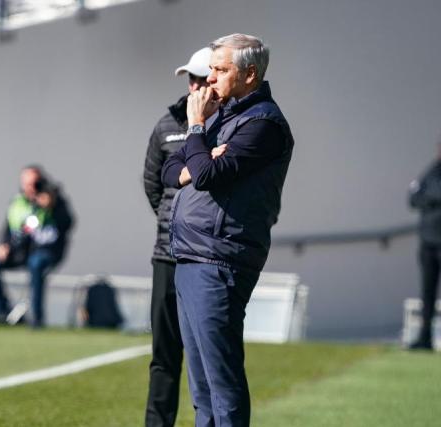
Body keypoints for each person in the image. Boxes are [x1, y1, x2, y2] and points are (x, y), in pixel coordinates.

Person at [161, 34, 294, 426]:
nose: (209, 80)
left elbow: (204, 175)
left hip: (220, 259)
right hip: (190, 254)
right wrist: (200, 151)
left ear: (250, 74)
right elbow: (173, 171)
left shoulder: (263, 123)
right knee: (201, 388)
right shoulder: (225, 116)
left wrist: (198, 130)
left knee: (222, 383)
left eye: (220, 70)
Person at [142, 47, 211, 427]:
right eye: (192, 78)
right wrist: (176, 221)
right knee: (164, 356)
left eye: (203, 78)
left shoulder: (227, 124)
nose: (196, 85)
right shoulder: (166, 123)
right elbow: (153, 183)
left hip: (207, 259)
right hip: (166, 255)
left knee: (209, 357)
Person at [0, 165, 74, 328]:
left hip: (46, 251)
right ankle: (1, 312)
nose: (30, 187)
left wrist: (51, 205)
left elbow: (68, 223)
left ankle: (37, 318)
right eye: (26, 183)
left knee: (36, 264)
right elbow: (9, 227)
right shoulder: (18, 202)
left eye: (34, 183)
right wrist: (2, 245)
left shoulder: (55, 200)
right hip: (20, 251)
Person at [408, 140, 441, 350]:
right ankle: (425, 338)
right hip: (428, 242)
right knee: (427, 294)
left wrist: (430, 198)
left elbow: (426, 195)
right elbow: (413, 197)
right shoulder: (431, 171)